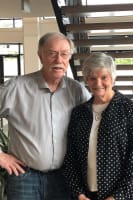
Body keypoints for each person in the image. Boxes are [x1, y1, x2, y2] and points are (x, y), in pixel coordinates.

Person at [0, 32, 90, 200]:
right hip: (24, 178)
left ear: (69, 58)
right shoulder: (16, 88)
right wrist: (0, 156)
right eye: (51, 53)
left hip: (64, 178)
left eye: (64, 54)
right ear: (40, 55)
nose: (58, 60)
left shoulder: (77, 91)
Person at [63, 52, 133, 200]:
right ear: (86, 80)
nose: (98, 83)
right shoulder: (79, 113)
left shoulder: (129, 108)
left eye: (104, 77)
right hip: (87, 196)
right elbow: (71, 158)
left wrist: (116, 197)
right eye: (92, 78)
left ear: (113, 78)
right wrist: (79, 194)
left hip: (124, 196)